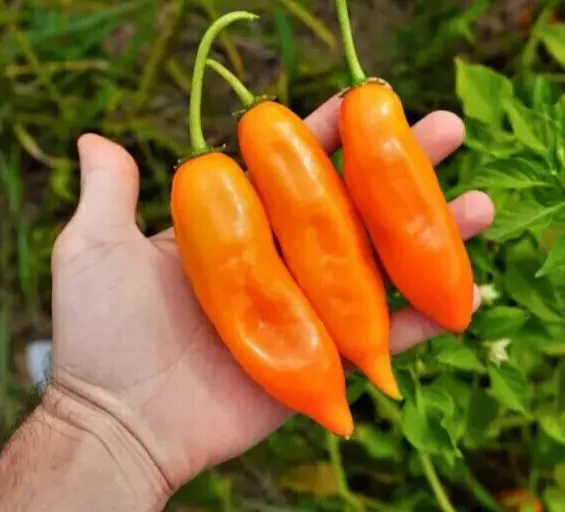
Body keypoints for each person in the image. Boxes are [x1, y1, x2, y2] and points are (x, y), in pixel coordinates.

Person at [0, 96, 494, 511]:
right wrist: (103, 419)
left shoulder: (205, 178)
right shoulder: (206, 178)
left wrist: (99, 425)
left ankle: (367, 361)